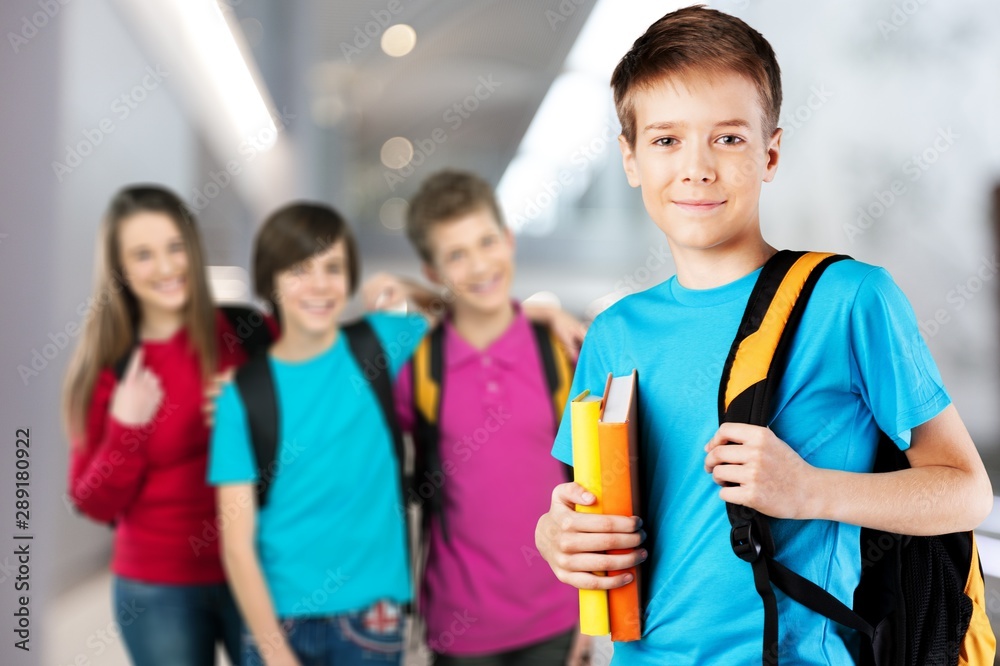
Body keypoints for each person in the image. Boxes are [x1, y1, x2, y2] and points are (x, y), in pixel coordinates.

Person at [533, 6, 993, 665]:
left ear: (770, 151)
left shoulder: (849, 299)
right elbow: (588, 512)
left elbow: (965, 491)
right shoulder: (614, 333)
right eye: (666, 141)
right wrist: (557, 535)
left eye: (727, 138)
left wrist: (810, 490)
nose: (696, 168)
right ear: (630, 159)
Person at [209, 202, 428, 666]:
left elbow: (464, 314)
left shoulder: (380, 343)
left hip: (372, 617)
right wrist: (275, 654)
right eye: (300, 269)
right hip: (277, 616)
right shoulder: (244, 394)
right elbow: (236, 542)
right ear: (270, 280)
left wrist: (398, 286)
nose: (320, 284)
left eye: (333, 267)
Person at [386, 170, 588, 665]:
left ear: (509, 240)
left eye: (486, 242)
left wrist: (592, 610)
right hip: (459, 629)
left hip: (558, 617)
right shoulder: (420, 369)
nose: (479, 265)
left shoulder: (561, 354)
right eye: (456, 255)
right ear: (433, 272)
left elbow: (597, 487)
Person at [63, 185, 265, 665]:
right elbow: (91, 501)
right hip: (158, 590)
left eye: (175, 247)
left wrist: (259, 403)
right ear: (120, 269)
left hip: (259, 571)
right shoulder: (109, 366)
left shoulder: (247, 333)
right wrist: (126, 430)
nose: (167, 267)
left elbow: (314, 424)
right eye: (143, 255)